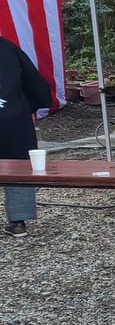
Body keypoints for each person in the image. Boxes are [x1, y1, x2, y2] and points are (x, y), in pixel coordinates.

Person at [0, 36, 53, 238]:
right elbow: (35, 82)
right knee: (18, 166)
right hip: (13, 117)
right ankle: (18, 222)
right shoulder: (6, 47)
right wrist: (28, 108)